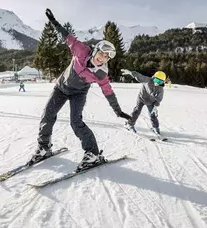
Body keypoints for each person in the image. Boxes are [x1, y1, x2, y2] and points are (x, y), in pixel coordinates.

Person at [29, 9, 131, 171]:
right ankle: (44, 148)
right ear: (96, 50)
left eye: (107, 57)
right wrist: (54, 22)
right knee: (47, 115)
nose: (102, 58)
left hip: (78, 93)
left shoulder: (101, 73)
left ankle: (93, 154)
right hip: (61, 88)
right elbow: (67, 36)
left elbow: (108, 92)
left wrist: (118, 111)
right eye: (101, 53)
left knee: (76, 122)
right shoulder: (81, 50)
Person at [121, 69, 166, 135]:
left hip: (151, 101)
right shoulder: (147, 80)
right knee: (136, 111)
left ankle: (155, 127)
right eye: (156, 80)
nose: (157, 83)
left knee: (153, 114)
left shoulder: (160, 88)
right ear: (154, 78)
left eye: (160, 81)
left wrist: (155, 106)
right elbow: (139, 76)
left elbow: (159, 98)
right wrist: (131, 72)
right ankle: (129, 124)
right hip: (142, 98)